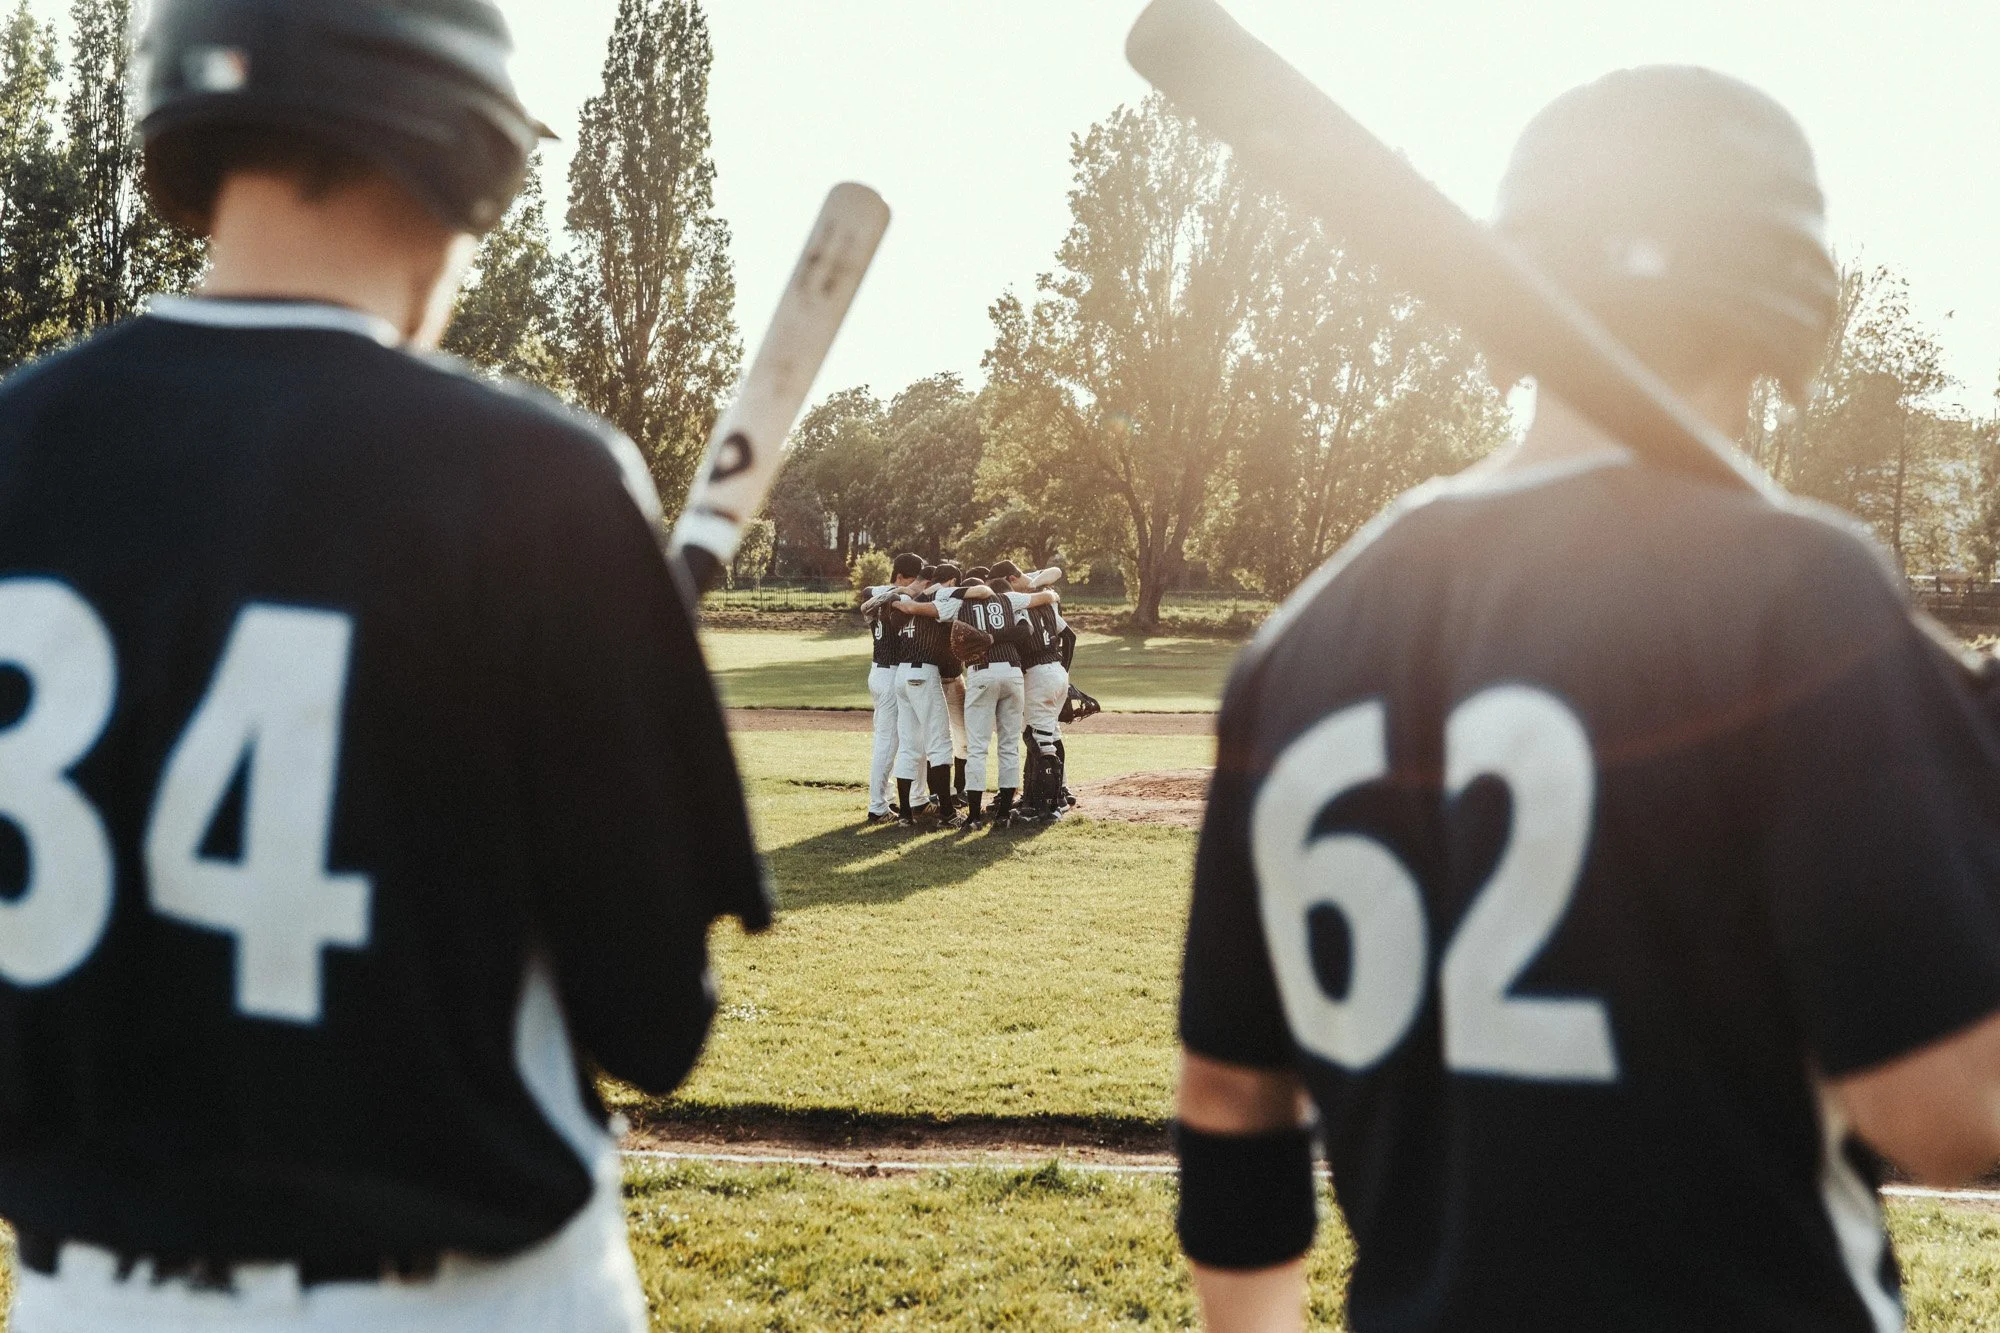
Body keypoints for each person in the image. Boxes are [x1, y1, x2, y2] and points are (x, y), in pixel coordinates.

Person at [1174, 67, 2000, 1333]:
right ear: (1790, 308)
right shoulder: (1800, 590)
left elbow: (1232, 1102)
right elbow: (1950, 1110)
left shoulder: (1300, 644)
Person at [0, 2, 768, 1328]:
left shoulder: (15, 446)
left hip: (89, 1299)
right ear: (467, 154)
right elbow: (656, 1026)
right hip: (465, 1297)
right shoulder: (536, 486)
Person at [994, 561, 1072, 818]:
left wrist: (994, 639)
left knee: (1039, 739)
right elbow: (1069, 636)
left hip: (1038, 672)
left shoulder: (1017, 603)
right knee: (1049, 735)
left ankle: (1044, 806)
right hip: (1055, 670)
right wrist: (1064, 673)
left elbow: (1023, 631)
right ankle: (1053, 795)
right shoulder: (1046, 605)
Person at [888, 564, 961, 826]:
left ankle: (906, 815)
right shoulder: (944, 596)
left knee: (909, 746)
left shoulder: (911, 598)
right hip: (923, 672)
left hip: (902, 674)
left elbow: (895, 619)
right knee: (939, 743)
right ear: (951, 581)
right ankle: (947, 813)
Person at [858, 553, 926, 824]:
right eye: (914, 578)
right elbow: (867, 592)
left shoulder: (886, 595)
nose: (918, 585)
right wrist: (906, 590)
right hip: (888, 674)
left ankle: (888, 800)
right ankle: (877, 806)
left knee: (893, 741)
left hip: (883, 673)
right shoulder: (888, 594)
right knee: (888, 743)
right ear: (900, 576)